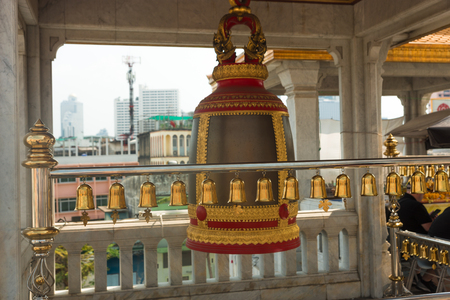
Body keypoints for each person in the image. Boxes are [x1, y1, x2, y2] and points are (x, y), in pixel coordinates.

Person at [397, 191, 437, 292]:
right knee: (443, 251)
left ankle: (416, 276)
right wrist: (434, 221)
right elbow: (429, 228)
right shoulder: (416, 206)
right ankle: (425, 280)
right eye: (423, 194)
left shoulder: (399, 202)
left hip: (403, 243)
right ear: (418, 193)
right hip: (418, 246)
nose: (423, 196)